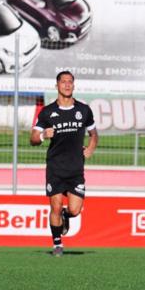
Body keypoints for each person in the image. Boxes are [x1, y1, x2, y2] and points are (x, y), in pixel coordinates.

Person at [30, 71, 98, 257]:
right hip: (55, 168)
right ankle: (57, 244)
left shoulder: (84, 110)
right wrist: (43, 135)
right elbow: (33, 138)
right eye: (63, 82)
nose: (67, 85)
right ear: (57, 85)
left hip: (76, 168)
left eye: (70, 82)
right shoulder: (47, 112)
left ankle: (66, 218)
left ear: (73, 86)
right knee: (56, 206)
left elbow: (94, 134)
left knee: (75, 210)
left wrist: (91, 148)